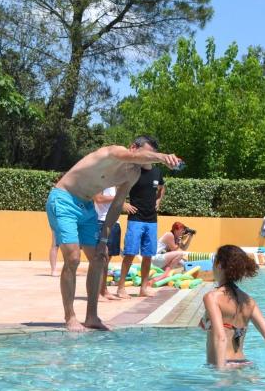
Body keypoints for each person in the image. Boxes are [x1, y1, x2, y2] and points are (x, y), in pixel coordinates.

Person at [46, 136, 181, 331]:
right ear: (133, 148)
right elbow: (128, 155)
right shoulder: (112, 153)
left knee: (100, 258)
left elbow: (117, 205)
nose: (148, 160)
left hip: (87, 208)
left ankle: (92, 316)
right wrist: (162, 157)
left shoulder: (132, 174)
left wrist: (104, 238)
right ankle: (70, 316)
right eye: (147, 154)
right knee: (73, 258)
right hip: (64, 199)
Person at [200, 244, 265, 368]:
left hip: (224, 364)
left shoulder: (212, 298)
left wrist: (220, 375)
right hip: (244, 364)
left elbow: (221, 337)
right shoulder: (248, 301)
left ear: (219, 265)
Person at [116, 143, 168, 299]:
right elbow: (119, 187)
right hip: (136, 219)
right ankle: (120, 288)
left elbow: (162, 187)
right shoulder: (133, 170)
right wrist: (124, 204)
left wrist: (159, 200)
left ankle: (143, 288)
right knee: (130, 254)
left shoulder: (157, 172)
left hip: (151, 219)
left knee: (148, 255)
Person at [95, 186, 123, 300]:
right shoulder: (100, 180)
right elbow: (98, 199)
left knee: (107, 260)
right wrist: (117, 197)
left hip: (114, 222)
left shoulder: (115, 183)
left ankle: (103, 290)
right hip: (102, 222)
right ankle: (96, 292)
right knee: (101, 259)